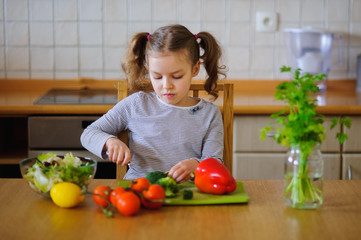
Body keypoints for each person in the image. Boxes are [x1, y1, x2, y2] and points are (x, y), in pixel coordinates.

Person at [81, 24, 226, 183]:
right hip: (140, 190)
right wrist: (109, 142)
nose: (166, 85)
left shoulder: (209, 114)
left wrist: (198, 165)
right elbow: (89, 133)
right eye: (157, 77)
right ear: (148, 68)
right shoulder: (136, 104)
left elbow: (215, 161)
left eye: (177, 76)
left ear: (195, 68)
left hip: (188, 193)